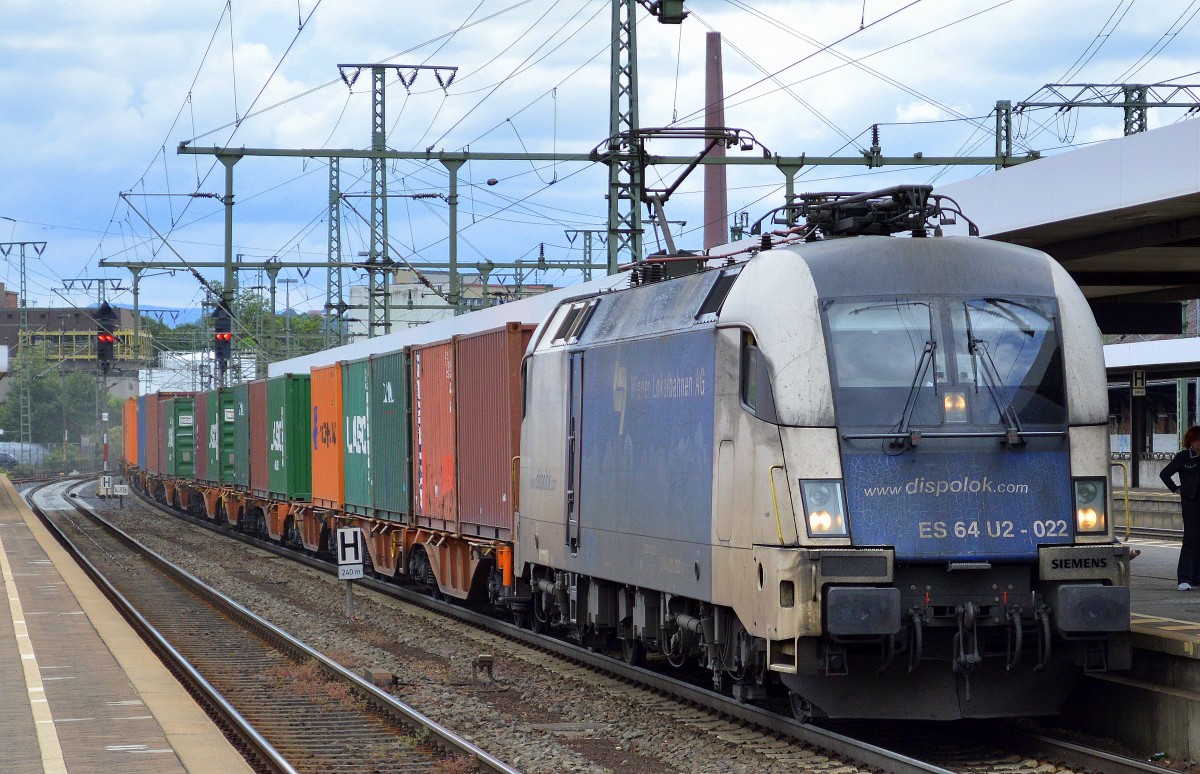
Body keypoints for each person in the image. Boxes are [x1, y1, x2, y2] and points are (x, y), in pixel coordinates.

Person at [1160, 425, 1200, 590]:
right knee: (1190, 539)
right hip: (1191, 503)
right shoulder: (1183, 457)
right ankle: (1184, 578)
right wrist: (1176, 488)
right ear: (1191, 441)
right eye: (1198, 440)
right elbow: (1165, 474)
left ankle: (1196, 577)